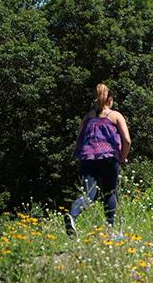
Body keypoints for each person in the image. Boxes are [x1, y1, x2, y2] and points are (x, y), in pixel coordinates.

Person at [64, 83, 131, 236]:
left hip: (87, 158)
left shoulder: (87, 117)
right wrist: (122, 157)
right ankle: (110, 230)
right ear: (110, 99)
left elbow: (79, 137)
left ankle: (72, 215)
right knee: (110, 193)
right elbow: (127, 140)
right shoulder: (115, 115)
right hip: (108, 158)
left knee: (88, 194)